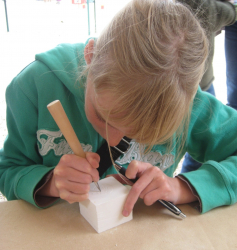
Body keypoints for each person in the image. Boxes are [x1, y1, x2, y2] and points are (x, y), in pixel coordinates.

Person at [1, 0, 237, 217]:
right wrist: (49, 182)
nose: (114, 142)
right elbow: (8, 171)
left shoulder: (189, 105)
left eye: (141, 135)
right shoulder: (34, 87)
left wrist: (181, 187)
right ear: (91, 56)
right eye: (104, 117)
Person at [178, 0, 236, 173]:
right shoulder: (208, 6)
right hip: (202, 86)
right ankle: (187, 178)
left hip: (196, 90)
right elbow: (230, 12)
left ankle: (186, 181)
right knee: (197, 149)